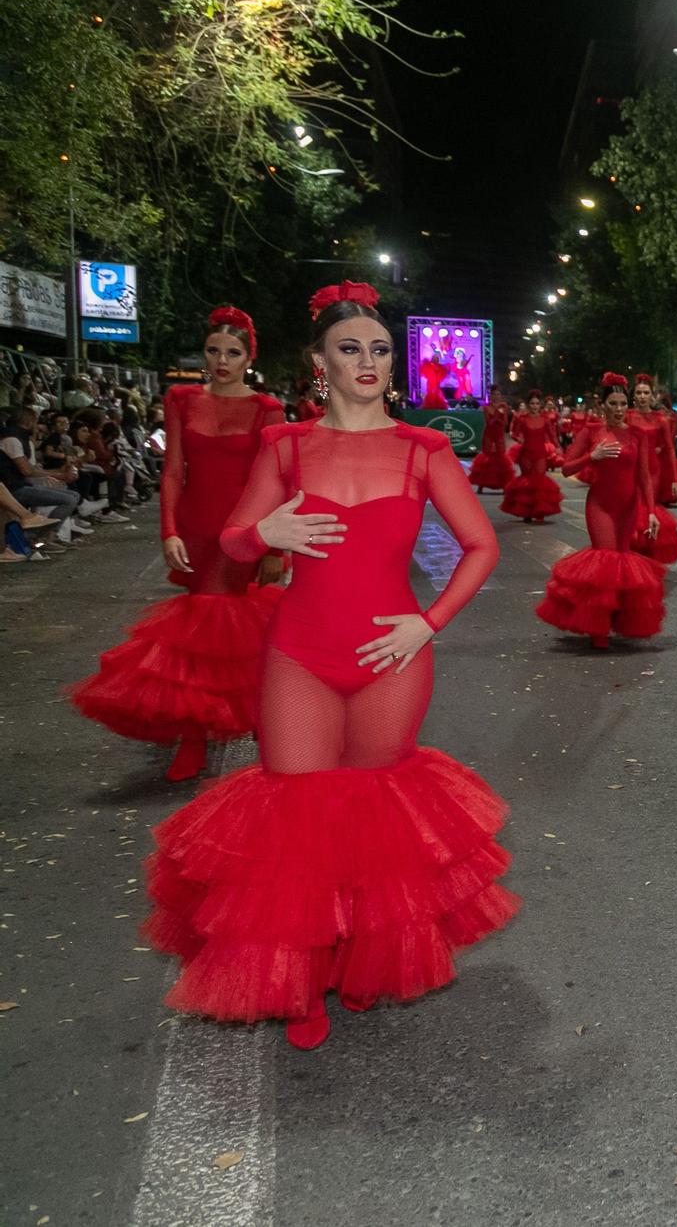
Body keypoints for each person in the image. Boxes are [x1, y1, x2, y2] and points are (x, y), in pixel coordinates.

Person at [143, 281, 515, 1051]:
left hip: (391, 658)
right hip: (299, 656)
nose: (369, 361)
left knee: (371, 819)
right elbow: (238, 540)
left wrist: (428, 621)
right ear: (320, 361)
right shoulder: (285, 445)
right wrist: (263, 530)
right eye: (351, 348)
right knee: (297, 818)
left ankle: (355, 955)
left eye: (380, 349)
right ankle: (302, 980)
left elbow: (483, 546)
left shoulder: (425, 449)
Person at [69, 307, 284, 782]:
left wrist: (273, 546)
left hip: (242, 529)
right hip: (195, 527)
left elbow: (274, 479)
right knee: (211, 634)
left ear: (249, 357)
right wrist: (168, 530)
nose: (221, 361)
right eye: (213, 351)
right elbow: (171, 472)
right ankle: (219, 730)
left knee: (220, 625)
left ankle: (214, 735)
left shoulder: (267, 408)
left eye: (232, 353)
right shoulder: (181, 398)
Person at [535, 374, 665, 649]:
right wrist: (591, 458)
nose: (619, 409)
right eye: (613, 403)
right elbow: (566, 468)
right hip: (600, 506)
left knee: (621, 563)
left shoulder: (638, 434)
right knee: (604, 562)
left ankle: (616, 621)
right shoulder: (592, 431)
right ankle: (598, 630)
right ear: (603, 404)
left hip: (628, 507)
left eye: (622, 403)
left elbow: (643, 476)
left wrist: (651, 512)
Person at [625, 377, 677, 566]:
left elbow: (669, 449)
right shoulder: (627, 416)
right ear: (634, 396)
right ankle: (630, 549)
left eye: (646, 393)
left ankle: (645, 551)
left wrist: (675, 479)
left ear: (652, 396)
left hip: (652, 470)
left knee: (647, 508)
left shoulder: (661, 420)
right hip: (629, 469)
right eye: (639, 393)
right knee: (630, 508)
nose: (642, 396)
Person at [500, 391, 563, 523]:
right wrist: (519, 440)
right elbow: (513, 434)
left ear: (540, 405)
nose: (534, 406)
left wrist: (558, 447)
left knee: (539, 480)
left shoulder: (545, 420)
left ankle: (539, 512)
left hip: (540, 454)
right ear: (528, 405)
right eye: (532, 403)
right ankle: (526, 512)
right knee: (527, 482)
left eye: (537, 403)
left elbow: (552, 435)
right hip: (526, 454)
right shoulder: (522, 419)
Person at [466, 394, 515, 493]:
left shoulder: (503, 407)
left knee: (500, 457)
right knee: (487, 458)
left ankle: (503, 484)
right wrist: (497, 414)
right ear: (491, 397)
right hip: (489, 433)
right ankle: (481, 485)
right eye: (494, 395)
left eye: (498, 395)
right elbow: (489, 422)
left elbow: (505, 423)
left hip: (499, 434)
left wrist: (501, 414)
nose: (497, 397)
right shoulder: (486, 408)